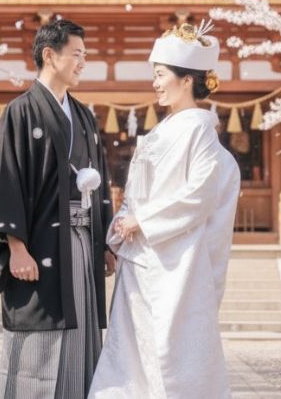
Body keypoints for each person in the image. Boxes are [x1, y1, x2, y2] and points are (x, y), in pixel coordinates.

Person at [89, 20, 241, 399]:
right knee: (130, 349)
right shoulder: (163, 129)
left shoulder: (199, 129)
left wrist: (143, 220)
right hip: (141, 256)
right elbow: (138, 194)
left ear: (186, 80)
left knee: (170, 352)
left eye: (160, 75)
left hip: (175, 261)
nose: (155, 83)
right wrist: (120, 228)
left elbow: (199, 195)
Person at [0, 18, 116, 398]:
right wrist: (16, 248)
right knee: (41, 331)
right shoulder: (20, 111)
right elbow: (5, 180)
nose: (83, 62)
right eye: (77, 54)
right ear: (50, 55)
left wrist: (104, 242)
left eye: (85, 55)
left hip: (82, 239)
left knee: (81, 328)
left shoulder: (84, 115)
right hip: (38, 245)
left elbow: (99, 178)